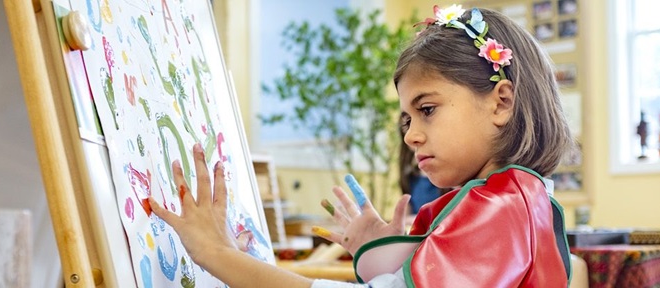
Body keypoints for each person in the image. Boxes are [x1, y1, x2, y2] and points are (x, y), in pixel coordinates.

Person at [148, 4, 574, 287]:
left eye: (427, 109)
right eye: (407, 118)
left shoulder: (502, 207)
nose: (410, 134)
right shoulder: (502, 199)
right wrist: (384, 253)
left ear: (501, 102)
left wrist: (218, 255)